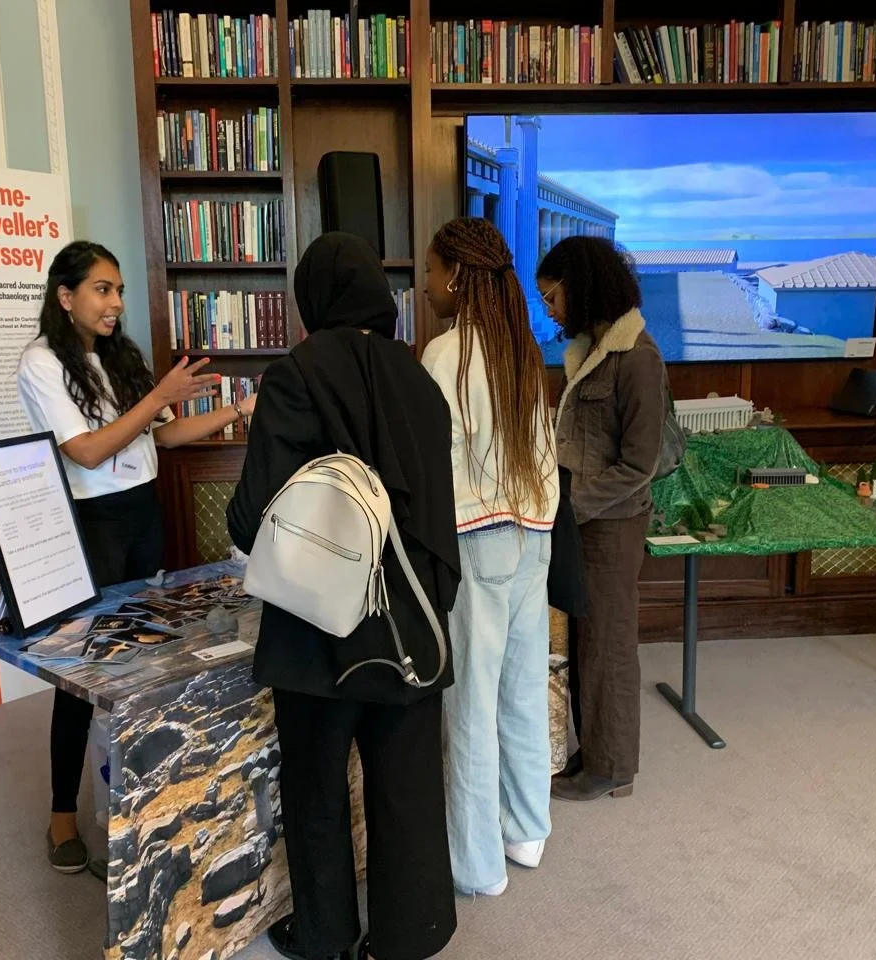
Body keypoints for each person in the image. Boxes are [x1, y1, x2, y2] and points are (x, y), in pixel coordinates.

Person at [227, 233, 460, 960]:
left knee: (316, 788)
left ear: (310, 303)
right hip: (412, 625)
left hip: (317, 630)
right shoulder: (420, 379)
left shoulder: (295, 372)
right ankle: (411, 932)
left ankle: (326, 933)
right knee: (407, 788)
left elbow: (252, 513)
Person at [16, 240, 257, 873]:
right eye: (102, 289)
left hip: (145, 510)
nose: (116, 301)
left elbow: (163, 436)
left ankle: (145, 795)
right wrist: (156, 397)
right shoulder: (41, 363)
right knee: (84, 672)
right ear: (65, 297)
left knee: (150, 657)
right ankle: (62, 816)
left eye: (119, 289)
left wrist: (234, 410)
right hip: (94, 524)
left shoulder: (119, 357)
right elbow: (88, 452)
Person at [421, 218, 558, 896]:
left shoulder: (444, 355)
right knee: (523, 688)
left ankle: (477, 867)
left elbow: (432, 463)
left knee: (470, 704)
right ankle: (527, 831)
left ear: (454, 274)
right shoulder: (522, 348)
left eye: (429, 268)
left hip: (476, 538)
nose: (423, 282)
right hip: (536, 532)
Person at [537, 236, 666, 803]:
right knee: (587, 641)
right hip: (583, 520)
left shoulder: (638, 358)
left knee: (608, 643)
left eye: (553, 296)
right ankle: (597, 754)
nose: (549, 309)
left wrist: (573, 504)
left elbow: (640, 463)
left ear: (581, 287)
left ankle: (612, 768)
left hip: (610, 524)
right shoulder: (592, 350)